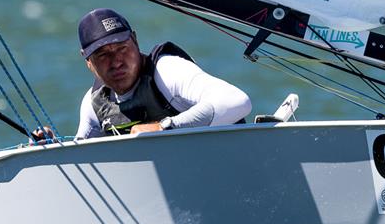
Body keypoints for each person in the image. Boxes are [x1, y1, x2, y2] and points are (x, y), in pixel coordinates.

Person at [67, 8, 252, 139]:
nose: (116, 61)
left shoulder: (167, 71)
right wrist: (46, 143)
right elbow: (82, 152)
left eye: (122, 48)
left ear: (135, 40)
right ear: (88, 62)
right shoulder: (96, 103)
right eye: (103, 54)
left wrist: (164, 127)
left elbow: (238, 101)